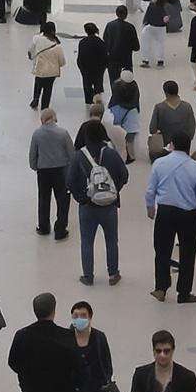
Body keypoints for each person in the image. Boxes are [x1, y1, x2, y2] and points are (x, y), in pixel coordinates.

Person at [4, 293, 79, 392]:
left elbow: (13, 362)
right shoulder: (66, 337)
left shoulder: (22, 335)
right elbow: (76, 366)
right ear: (54, 310)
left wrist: (26, 377)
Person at [141, 142, 196, 304]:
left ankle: (161, 288)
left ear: (172, 145)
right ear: (188, 146)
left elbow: (151, 190)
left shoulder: (160, 163)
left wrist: (150, 207)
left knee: (162, 250)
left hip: (165, 212)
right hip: (188, 215)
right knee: (188, 253)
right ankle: (184, 293)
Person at [65, 123, 127, 287]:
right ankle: (113, 274)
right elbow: (124, 175)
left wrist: (82, 198)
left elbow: (70, 181)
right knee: (111, 240)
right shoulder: (111, 154)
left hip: (88, 207)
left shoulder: (79, 156)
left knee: (87, 241)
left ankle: (88, 276)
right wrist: (114, 191)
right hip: (110, 207)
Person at [27, 109, 73, 242]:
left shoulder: (37, 134)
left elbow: (32, 154)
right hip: (61, 170)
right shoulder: (63, 133)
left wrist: (35, 167)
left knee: (44, 198)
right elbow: (71, 153)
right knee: (62, 200)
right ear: (54, 118)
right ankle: (60, 229)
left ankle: (43, 227)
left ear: (43, 119)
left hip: (43, 171)